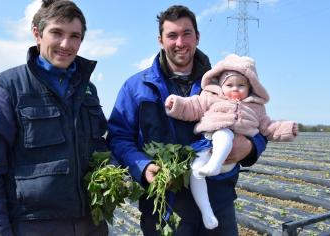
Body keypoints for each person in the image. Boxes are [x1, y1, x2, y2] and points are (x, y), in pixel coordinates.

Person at [107, 5, 267, 235]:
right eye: (172, 35)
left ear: (198, 37)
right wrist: (143, 167)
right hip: (163, 205)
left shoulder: (225, 83)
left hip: (217, 201)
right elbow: (119, 137)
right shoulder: (136, 87)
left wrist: (251, 147)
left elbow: (260, 121)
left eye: (187, 34)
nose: (180, 42)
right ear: (160, 40)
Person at [0, 0, 108, 235]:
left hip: (91, 224)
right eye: (56, 33)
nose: (66, 44)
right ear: (37, 34)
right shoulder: (6, 88)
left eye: (75, 36)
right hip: (34, 226)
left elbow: (99, 146)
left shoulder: (87, 89)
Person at [165, 54, 298, 229]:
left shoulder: (255, 107)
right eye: (229, 85)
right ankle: (207, 212)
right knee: (196, 170)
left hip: (228, 161)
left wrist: (287, 129)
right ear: (220, 85)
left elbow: (268, 127)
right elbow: (193, 106)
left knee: (224, 133)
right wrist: (176, 104)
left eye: (241, 85)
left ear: (250, 86)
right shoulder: (211, 97)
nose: (235, 89)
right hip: (206, 145)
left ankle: (214, 164)